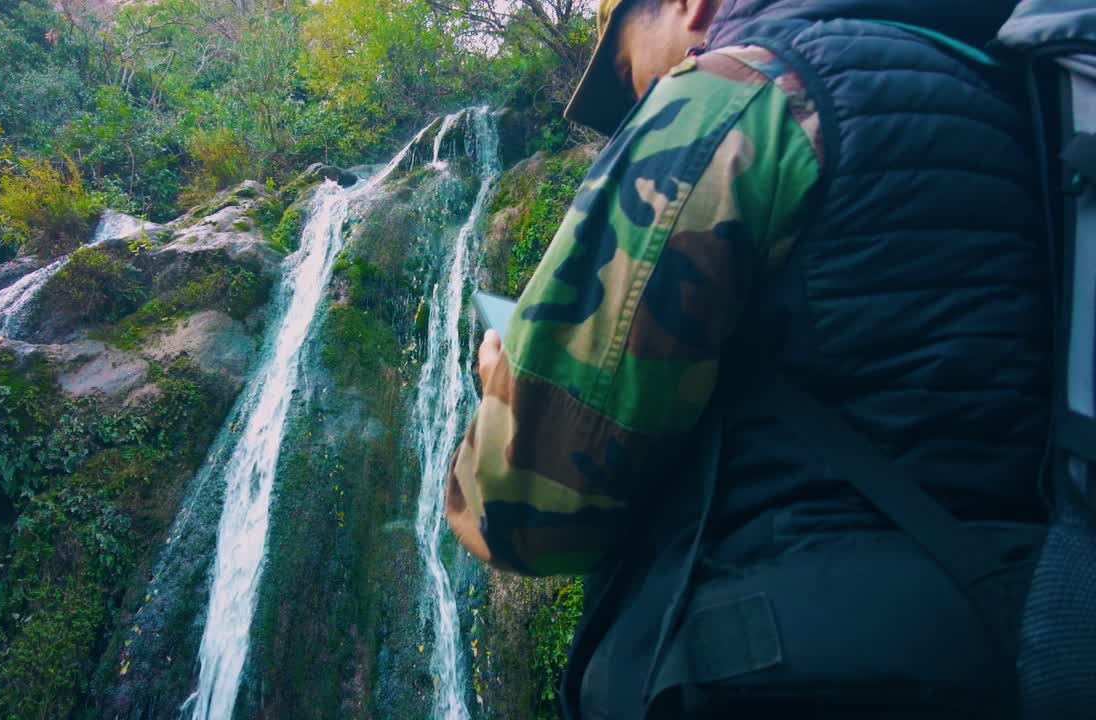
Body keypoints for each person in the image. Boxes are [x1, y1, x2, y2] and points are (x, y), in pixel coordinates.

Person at [445, 0, 1051, 717]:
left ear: (688, 6)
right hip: (1022, 635)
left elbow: (525, 510)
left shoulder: (736, 95)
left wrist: (507, 386)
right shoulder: (1008, 100)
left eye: (623, 69)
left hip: (783, 660)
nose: (639, 99)